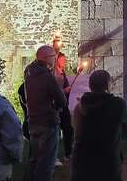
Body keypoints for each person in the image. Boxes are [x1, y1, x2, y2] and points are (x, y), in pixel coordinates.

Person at [71, 70, 127, 181]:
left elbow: (76, 129)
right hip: (107, 164)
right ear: (108, 85)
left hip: (81, 163)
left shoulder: (79, 107)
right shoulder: (118, 105)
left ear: (90, 86)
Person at [25, 45, 67, 181]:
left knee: (35, 160)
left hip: (33, 120)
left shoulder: (29, 72)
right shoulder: (46, 76)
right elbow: (61, 99)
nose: (55, 60)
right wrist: (58, 105)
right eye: (53, 57)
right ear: (47, 58)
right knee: (46, 163)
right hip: (47, 121)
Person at [52, 36, 74, 164]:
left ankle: (68, 152)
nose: (64, 62)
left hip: (64, 104)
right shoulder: (53, 73)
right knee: (55, 130)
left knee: (68, 129)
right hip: (56, 105)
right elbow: (54, 89)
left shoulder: (62, 72)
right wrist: (64, 91)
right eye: (62, 60)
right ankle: (53, 156)